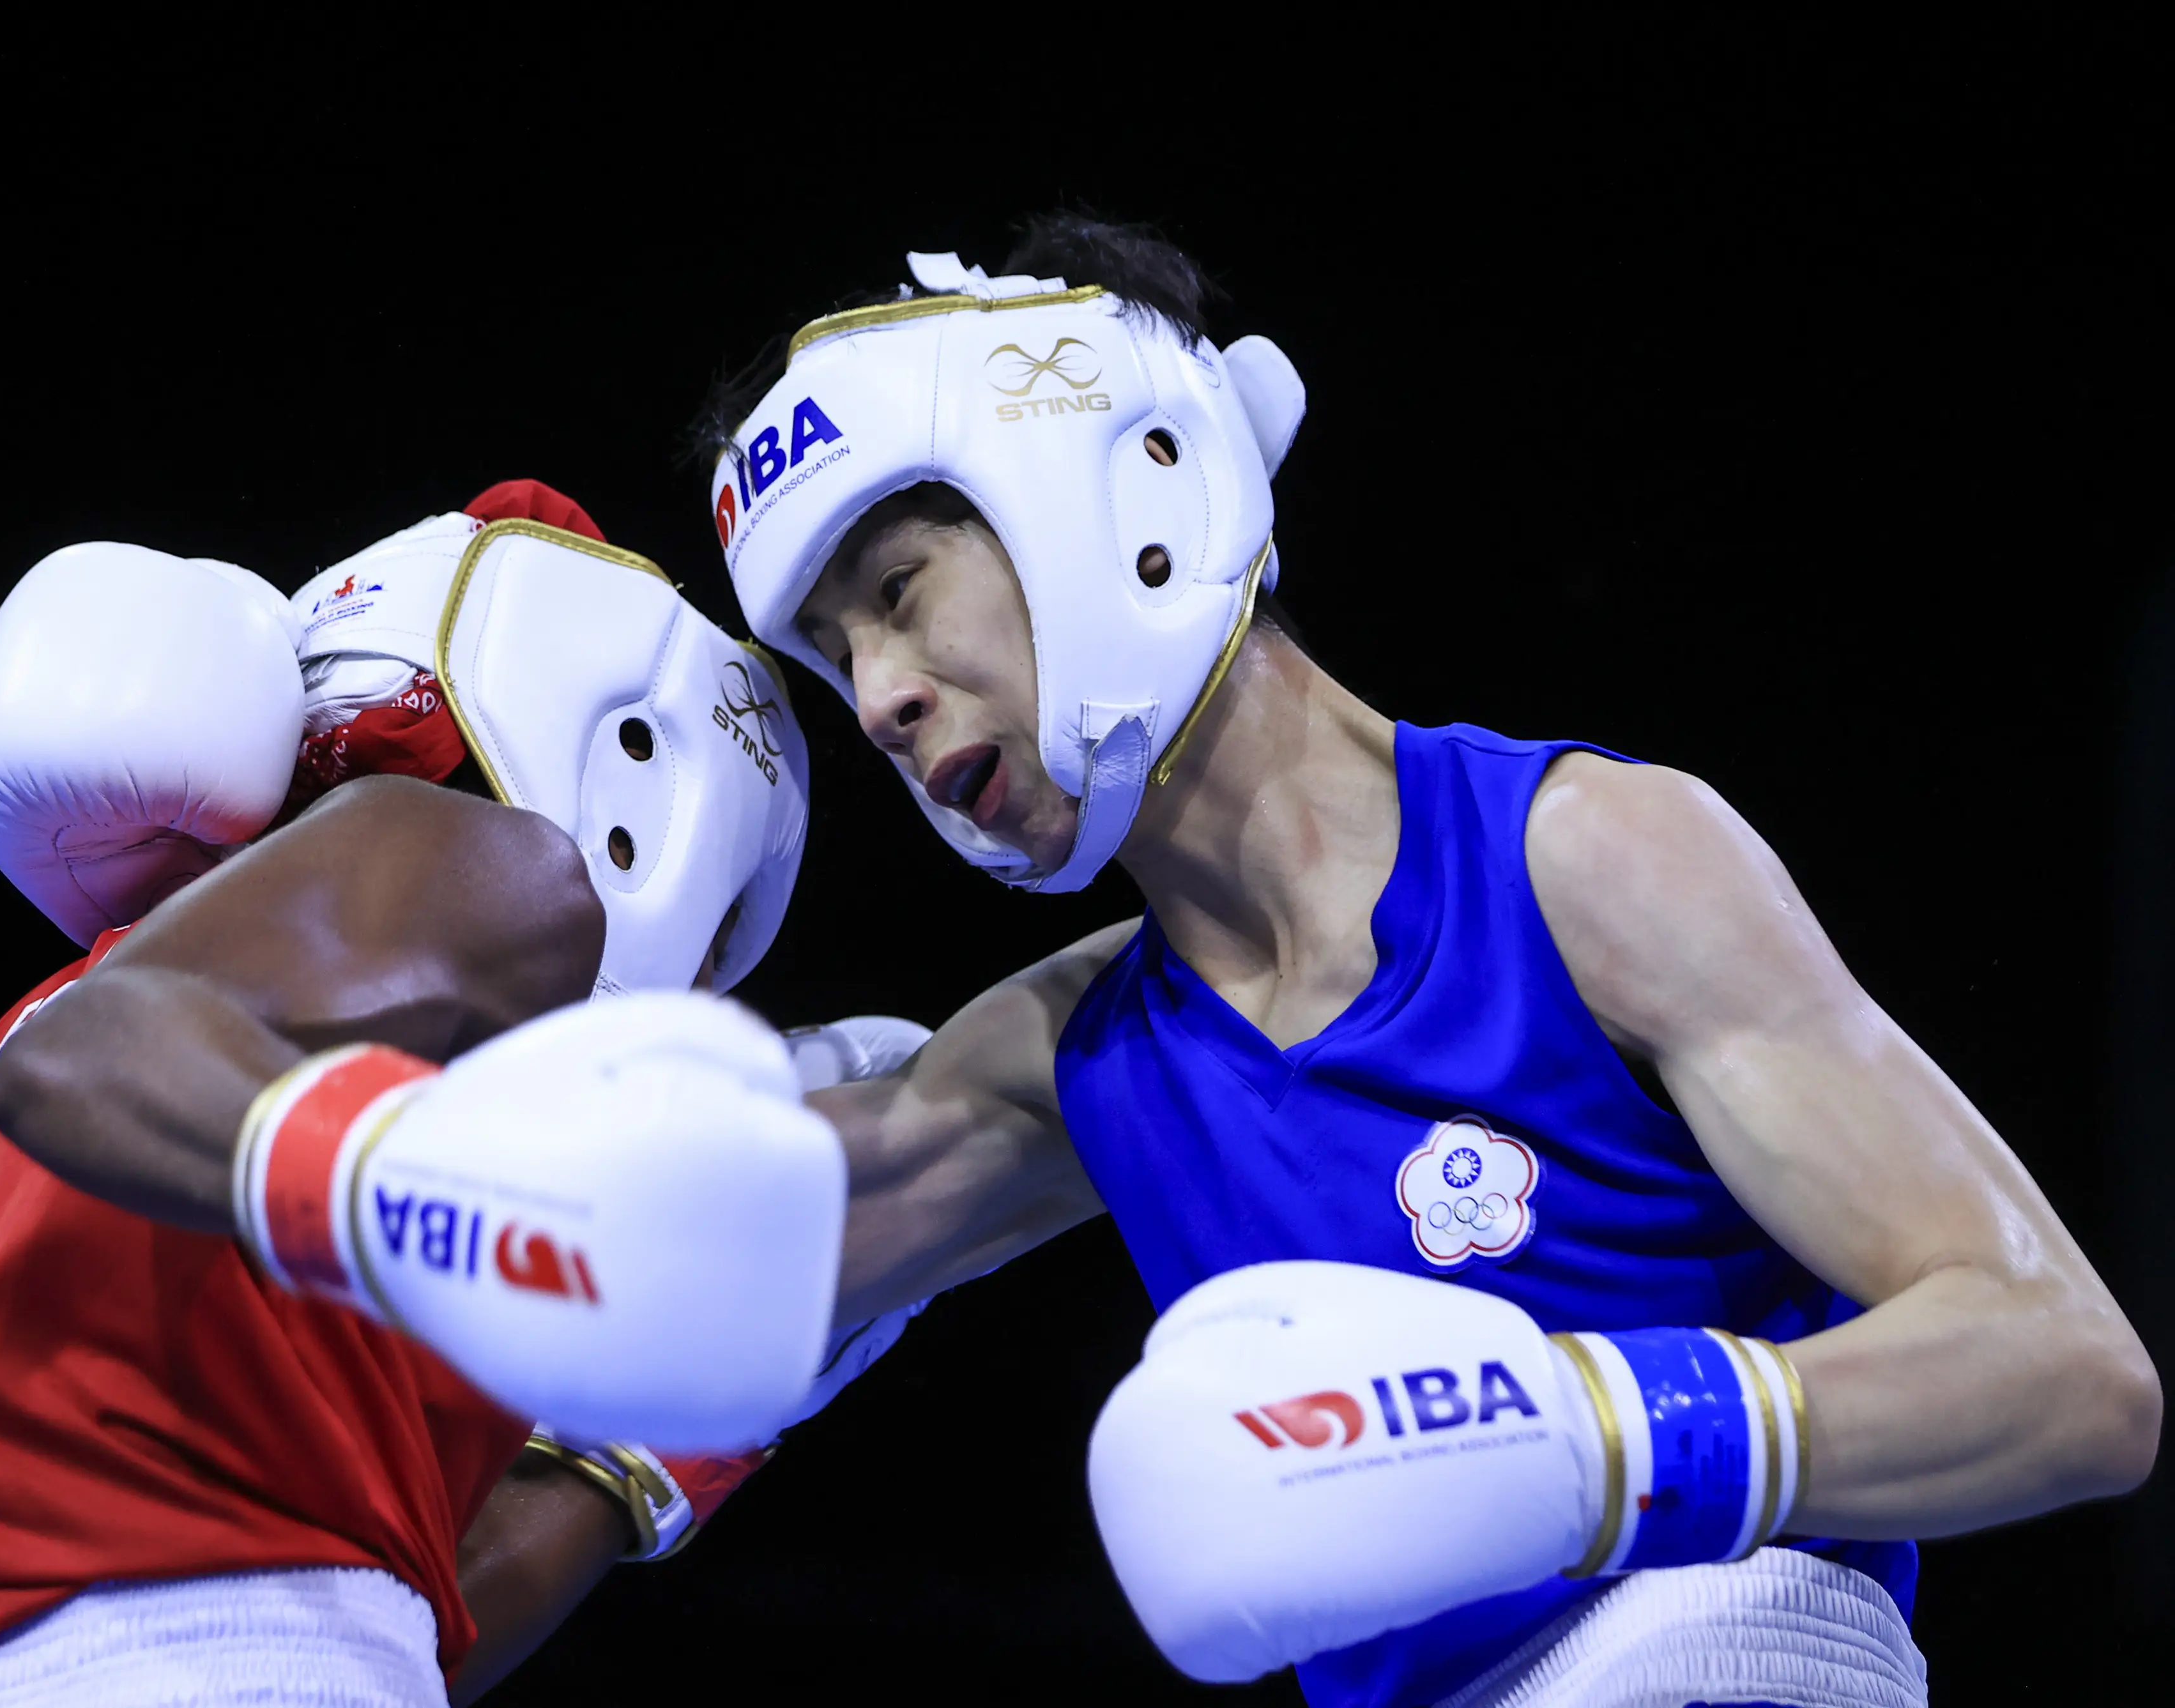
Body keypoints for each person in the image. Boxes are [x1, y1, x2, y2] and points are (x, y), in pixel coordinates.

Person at [705, 217, 2163, 1706]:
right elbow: (676, 1262)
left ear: (1111, 491)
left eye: (899, 591)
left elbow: (2068, 1370)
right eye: (837, 651)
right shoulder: (1075, 1052)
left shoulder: (1585, 856)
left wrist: (1590, 1440)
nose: (879, 698)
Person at [0, 481, 917, 1708]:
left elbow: (376, 1620)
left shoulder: (35, 1087)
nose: (702, 993)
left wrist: (638, 1453)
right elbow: (84, 1059)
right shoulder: (488, 867)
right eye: (712, 946)